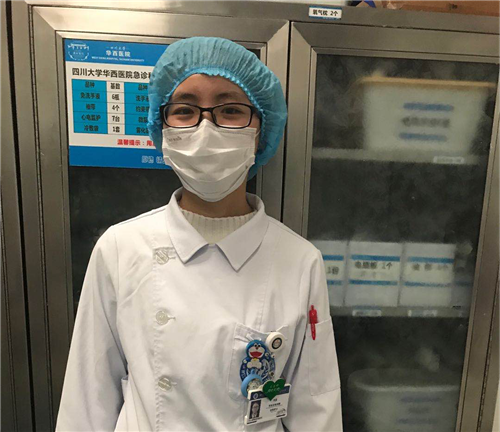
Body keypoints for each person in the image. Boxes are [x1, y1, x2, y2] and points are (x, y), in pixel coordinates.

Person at [56, 37, 342, 432]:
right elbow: (87, 401)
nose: (206, 128)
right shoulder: (121, 248)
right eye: (185, 111)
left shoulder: (298, 260)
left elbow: (316, 408)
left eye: (230, 110)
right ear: (163, 128)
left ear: (261, 130)